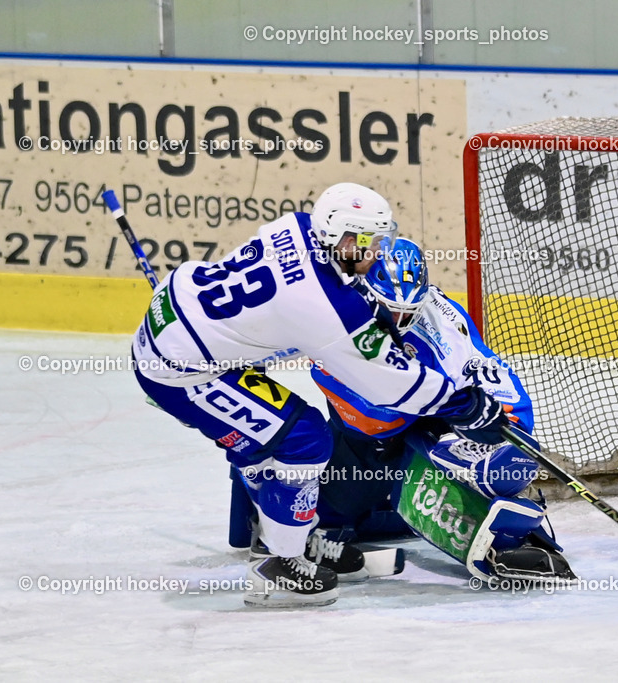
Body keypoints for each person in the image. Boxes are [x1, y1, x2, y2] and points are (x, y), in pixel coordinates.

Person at [131, 183, 511, 608]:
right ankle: (280, 567)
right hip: (184, 369)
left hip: (177, 315)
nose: (376, 250)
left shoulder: (295, 226)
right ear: (345, 240)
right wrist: (464, 403)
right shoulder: (326, 305)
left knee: (268, 435)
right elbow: (387, 383)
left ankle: (272, 532)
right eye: (371, 242)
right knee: (305, 439)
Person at [305, 238, 575, 583]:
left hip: (425, 414)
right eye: (391, 307)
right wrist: (445, 418)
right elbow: (370, 416)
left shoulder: (441, 314)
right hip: (363, 438)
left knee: (447, 445)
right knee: (339, 513)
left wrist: (507, 425)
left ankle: (505, 533)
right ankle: (314, 526)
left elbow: (486, 370)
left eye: (410, 309)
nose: (401, 317)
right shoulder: (336, 318)